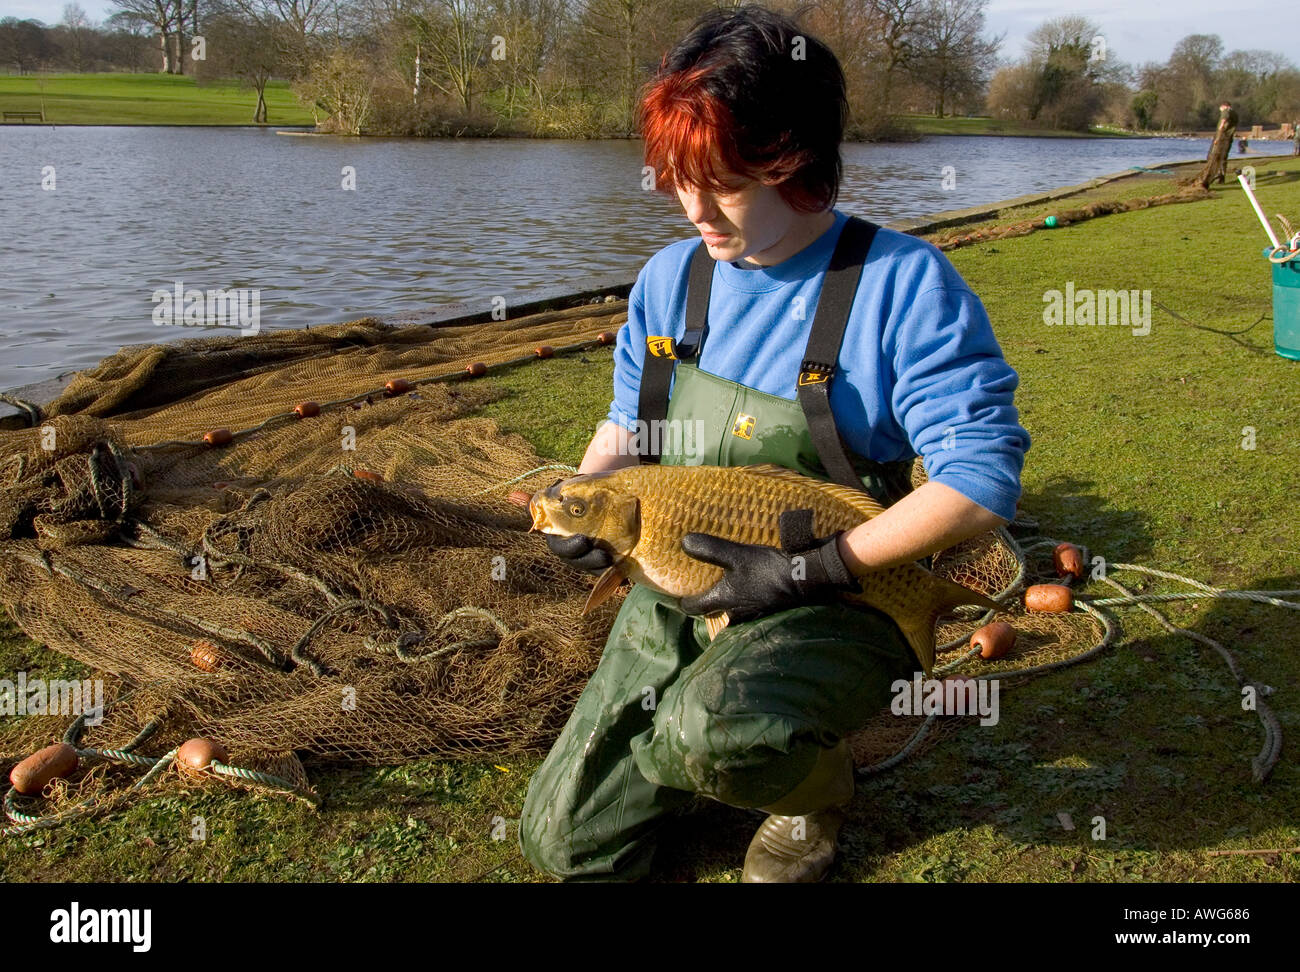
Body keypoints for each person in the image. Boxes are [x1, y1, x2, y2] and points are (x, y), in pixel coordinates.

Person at [518, 3, 1030, 883]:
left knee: (710, 734)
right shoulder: (668, 280)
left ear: (795, 161)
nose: (695, 211)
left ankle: (811, 790)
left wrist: (816, 569)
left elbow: (981, 485)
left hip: (839, 591)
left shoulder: (901, 283)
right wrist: (587, 491)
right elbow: (630, 424)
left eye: (724, 182)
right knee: (563, 846)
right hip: (681, 570)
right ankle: (707, 742)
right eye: (679, 179)